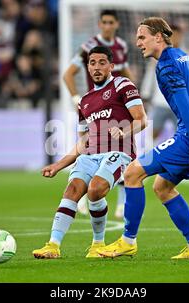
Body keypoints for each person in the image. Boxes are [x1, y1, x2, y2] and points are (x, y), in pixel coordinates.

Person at [97, 17, 189, 259]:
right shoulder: (183, 57)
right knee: (163, 187)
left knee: (133, 173)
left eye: (142, 37)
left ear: (158, 37)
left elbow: (186, 108)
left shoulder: (166, 65)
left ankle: (127, 241)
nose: (138, 43)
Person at [32, 46, 147, 259]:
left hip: (119, 154)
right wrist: (58, 165)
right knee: (72, 189)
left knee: (95, 190)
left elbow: (142, 119)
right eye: (92, 63)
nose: (96, 67)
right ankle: (53, 246)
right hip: (90, 154)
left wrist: (124, 131)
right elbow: (84, 141)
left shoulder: (123, 85)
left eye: (102, 62)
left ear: (111, 66)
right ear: (87, 67)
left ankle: (97, 243)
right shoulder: (84, 101)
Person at [63, 9, 134, 218]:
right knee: (89, 151)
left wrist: (134, 93)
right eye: (104, 22)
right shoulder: (88, 48)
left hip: (120, 106)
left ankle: (122, 204)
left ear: (117, 24)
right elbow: (68, 74)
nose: (107, 26)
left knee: (123, 151)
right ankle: (83, 196)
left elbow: (126, 72)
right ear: (100, 24)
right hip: (93, 108)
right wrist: (77, 98)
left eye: (111, 22)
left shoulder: (121, 46)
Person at [140, 23, 182, 143]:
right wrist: (145, 96)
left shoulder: (185, 56)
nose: (174, 39)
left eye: (177, 36)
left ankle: (183, 159)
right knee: (153, 134)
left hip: (179, 104)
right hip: (160, 102)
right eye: (172, 36)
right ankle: (150, 158)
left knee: (182, 134)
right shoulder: (157, 56)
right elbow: (149, 78)